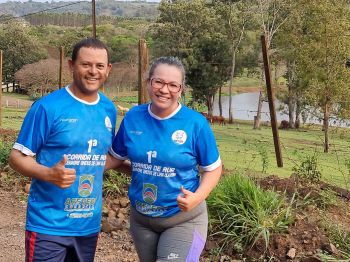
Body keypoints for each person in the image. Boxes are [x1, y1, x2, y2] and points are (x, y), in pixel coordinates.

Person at [8, 38, 116, 262]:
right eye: (86, 64)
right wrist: (49, 174)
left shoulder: (108, 109)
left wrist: (143, 168)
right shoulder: (47, 107)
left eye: (99, 66)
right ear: (71, 65)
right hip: (49, 225)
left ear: (108, 69)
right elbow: (16, 157)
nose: (93, 71)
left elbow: (100, 158)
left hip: (88, 226)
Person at [106, 56, 222, 261]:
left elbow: (213, 168)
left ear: (181, 89)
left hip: (183, 219)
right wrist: (82, 166)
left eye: (173, 85)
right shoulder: (133, 117)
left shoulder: (195, 124)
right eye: (158, 82)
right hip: (141, 220)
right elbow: (115, 158)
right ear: (148, 82)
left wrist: (197, 197)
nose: (164, 89)